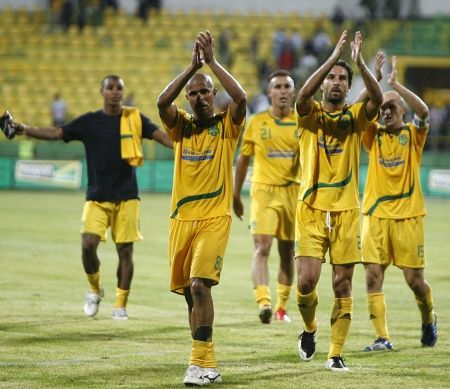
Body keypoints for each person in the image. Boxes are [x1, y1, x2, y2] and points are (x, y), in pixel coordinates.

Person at [12, 74, 172, 320]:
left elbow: (161, 136)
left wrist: (185, 144)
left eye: (120, 88)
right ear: (102, 91)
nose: (116, 92)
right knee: (87, 246)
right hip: (96, 197)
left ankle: (120, 305)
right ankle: (95, 290)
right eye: (111, 87)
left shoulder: (134, 118)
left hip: (127, 196)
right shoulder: (89, 122)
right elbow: (56, 133)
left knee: (125, 252)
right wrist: (24, 129)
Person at [157, 30, 246, 386]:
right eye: (192, 93)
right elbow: (162, 103)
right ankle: (209, 364)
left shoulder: (227, 126)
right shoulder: (181, 128)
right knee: (189, 295)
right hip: (181, 219)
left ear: (213, 94)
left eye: (203, 91)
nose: (197, 97)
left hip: (214, 218)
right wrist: (189, 70)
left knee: (198, 285)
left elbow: (241, 96)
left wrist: (211, 63)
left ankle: (195, 363)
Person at [294, 30, 383, 371]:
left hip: (346, 211)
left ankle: (334, 353)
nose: (335, 82)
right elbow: (302, 96)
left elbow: (376, 98)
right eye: (331, 77)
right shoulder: (310, 114)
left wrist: (360, 64)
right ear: (322, 83)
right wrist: (331, 58)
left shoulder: (356, 116)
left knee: (342, 282)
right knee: (305, 283)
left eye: (342, 79)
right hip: (311, 208)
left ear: (348, 86)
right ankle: (310, 328)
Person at [361, 54, 437, 351]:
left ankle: (428, 318)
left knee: (415, 281)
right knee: (371, 276)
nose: (385, 112)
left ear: (402, 110)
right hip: (376, 216)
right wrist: (376, 83)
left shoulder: (412, 135)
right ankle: (382, 337)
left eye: (391, 107)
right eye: (382, 109)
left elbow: (424, 110)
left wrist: (395, 85)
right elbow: (361, 110)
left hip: (408, 217)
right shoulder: (373, 136)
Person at [233, 69, 300, 324]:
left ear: (293, 91)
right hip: (263, 191)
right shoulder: (257, 122)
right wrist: (236, 194)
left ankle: (282, 307)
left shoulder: (302, 122)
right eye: (277, 87)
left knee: (286, 253)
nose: (282, 91)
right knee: (262, 247)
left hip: (292, 192)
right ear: (269, 91)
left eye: (287, 86)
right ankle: (264, 302)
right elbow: (243, 160)